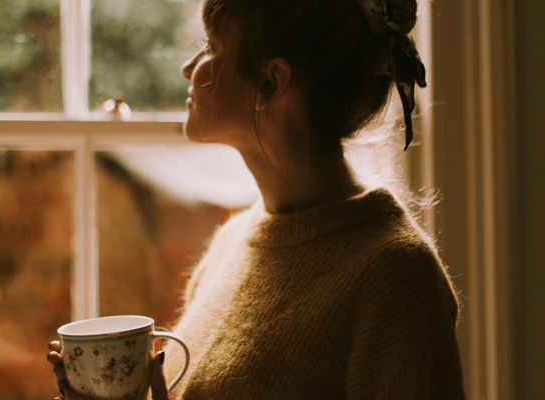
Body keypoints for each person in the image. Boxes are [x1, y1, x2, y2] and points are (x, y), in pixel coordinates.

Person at [48, 0, 466, 398]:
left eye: (211, 47)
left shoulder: (396, 276)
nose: (187, 68)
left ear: (271, 80)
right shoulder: (230, 244)